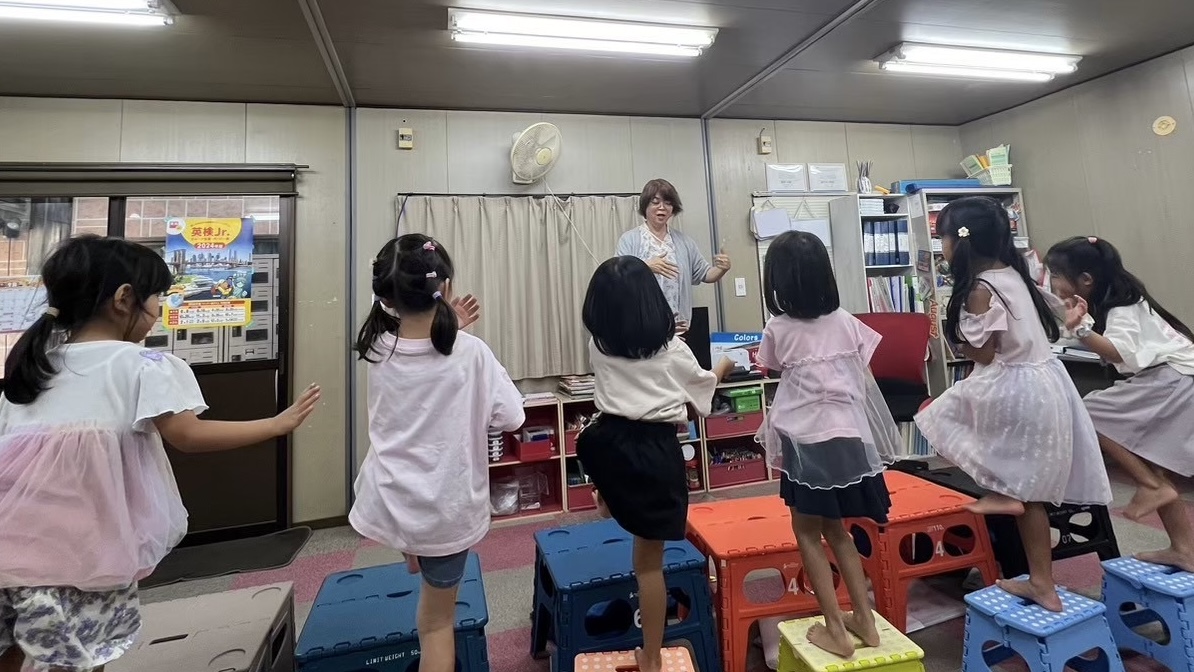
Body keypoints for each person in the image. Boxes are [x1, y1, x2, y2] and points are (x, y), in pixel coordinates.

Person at [0, 236, 321, 672]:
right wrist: (276, 424)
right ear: (124, 299)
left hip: (11, 544)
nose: (158, 310)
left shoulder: (33, 368)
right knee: (81, 656)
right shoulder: (141, 365)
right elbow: (188, 435)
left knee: (17, 650)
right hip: (85, 551)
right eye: (157, 298)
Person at [914, 197, 1111, 612]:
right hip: (1048, 384)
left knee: (940, 415)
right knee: (1031, 497)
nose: (941, 245)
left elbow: (984, 355)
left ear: (961, 242)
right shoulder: (1014, 275)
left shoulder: (980, 289)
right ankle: (1042, 582)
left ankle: (1002, 488)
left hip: (1015, 387)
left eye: (942, 237)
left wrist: (956, 337)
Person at [350, 234, 524, 672]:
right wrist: (461, 337)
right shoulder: (472, 354)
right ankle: (422, 552)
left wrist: (449, 325)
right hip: (444, 508)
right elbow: (512, 417)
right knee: (436, 625)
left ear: (384, 296)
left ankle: (414, 551)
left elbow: (418, 351)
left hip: (390, 500)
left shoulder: (377, 347)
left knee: (417, 544)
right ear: (445, 288)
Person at [577, 256, 732, 672]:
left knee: (592, 445)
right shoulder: (674, 351)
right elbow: (701, 394)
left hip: (608, 445)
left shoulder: (598, 346)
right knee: (648, 566)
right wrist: (722, 367)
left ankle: (607, 497)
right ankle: (651, 656)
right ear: (654, 304)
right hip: (653, 451)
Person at [754, 231, 899, 658]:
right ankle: (865, 619)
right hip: (849, 435)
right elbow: (863, 371)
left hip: (807, 442)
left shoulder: (778, 327)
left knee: (805, 531)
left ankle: (836, 628)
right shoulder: (846, 321)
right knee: (838, 531)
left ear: (778, 281)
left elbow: (769, 366)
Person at [1046, 236, 1194, 571]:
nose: (1052, 282)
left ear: (1086, 279)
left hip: (1171, 379)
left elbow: (1117, 351)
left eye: (1055, 274)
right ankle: (1184, 549)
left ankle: (1149, 486)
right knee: (1153, 463)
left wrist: (1081, 330)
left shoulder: (1123, 306)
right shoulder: (1118, 298)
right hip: (1176, 379)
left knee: (1086, 413)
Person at [615, 178, 731, 334]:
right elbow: (617, 277)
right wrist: (645, 266)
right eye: (655, 202)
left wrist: (722, 269)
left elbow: (705, 274)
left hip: (678, 327)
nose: (662, 207)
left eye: (668, 203)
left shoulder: (684, 242)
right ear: (645, 206)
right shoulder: (629, 239)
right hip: (640, 325)